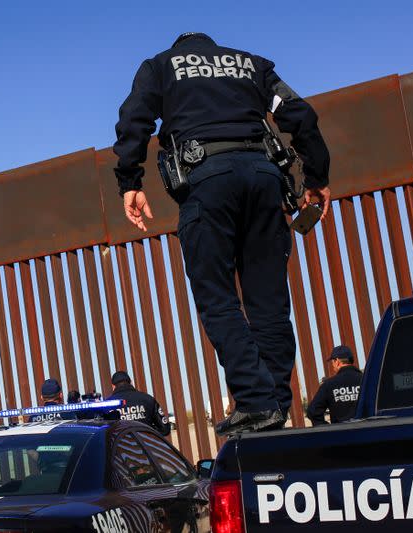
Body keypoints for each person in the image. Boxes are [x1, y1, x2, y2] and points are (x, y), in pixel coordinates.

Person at [113, 32, 330, 436]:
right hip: (266, 179)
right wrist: (316, 175)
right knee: (269, 301)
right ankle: (274, 407)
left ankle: (255, 401)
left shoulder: (160, 66)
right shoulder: (252, 64)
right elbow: (299, 113)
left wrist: (130, 180)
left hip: (207, 181)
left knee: (218, 299)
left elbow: (135, 119)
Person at [306, 345, 363, 425]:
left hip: (340, 434)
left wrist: (327, 428)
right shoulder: (366, 380)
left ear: (337, 361)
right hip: (367, 432)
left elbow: (312, 412)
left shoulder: (329, 385)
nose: (332, 366)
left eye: (332, 362)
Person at [106, 371, 171, 436]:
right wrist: (147, 429)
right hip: (145, 444)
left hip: (121, 445)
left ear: (113, 386)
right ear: (131, 382)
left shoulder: (107, 405)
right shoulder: (148, 399)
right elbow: (165, 429)